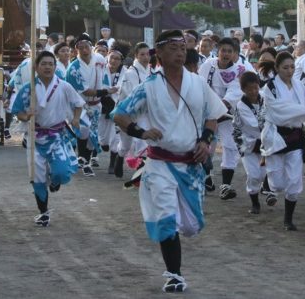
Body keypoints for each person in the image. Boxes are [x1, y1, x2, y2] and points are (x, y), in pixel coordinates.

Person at [112, 30, 224, 293]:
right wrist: (141, 132)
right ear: (159, 53)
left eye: (183, 48)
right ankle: (174, 273)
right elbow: (120, 114)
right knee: (165, 216)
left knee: (191, 225)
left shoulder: (197, 83)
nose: (180, 52)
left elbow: (213, 115)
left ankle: (175, 264)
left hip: (191, 165)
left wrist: (205, 141)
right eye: (173, 48)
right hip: (159, 162)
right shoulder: (149, 86)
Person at [11, 51, 84, 227]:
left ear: (55, 67)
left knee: (61, 171)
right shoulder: (28, 89)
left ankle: (55, 180)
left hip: (57, 136)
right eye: (43, 64)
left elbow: (79, 103)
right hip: (35, 137)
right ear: (36, 68)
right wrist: (26, 116)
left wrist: (75, 118)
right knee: (37, 177)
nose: (47, 67)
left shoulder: (64, 86)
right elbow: (17, 111)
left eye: (51, 64)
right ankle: (43, 212)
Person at [259, 51, 305, 231]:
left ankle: (288, 219)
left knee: (294, 181)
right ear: (276, 68)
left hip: (296, 136)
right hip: (276, 135)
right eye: (285, 67)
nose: (289, 71)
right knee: (278, 183)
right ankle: (268, 182)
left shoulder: (300, 85)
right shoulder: (270, 88)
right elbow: (279, 113)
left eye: (292, 67)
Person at [197, 37, 246, 201]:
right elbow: (200, 84)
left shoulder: (240, 70)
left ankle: (226, 185)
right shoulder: (208, 65)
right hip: (206, 112)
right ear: (217, 51)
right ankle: (205, 175)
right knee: (206, 145)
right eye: (223, 50)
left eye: (229, 51)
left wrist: (220, 108)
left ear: (234, 54)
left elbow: (234, 92)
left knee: (230, 146)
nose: (226, 54)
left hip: (226, 114)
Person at [66, 33, 111, 176]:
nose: (85, 50)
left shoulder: (100, 59)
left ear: (92, 47)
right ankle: (82, 158)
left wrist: (107, 89)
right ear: (76, 50)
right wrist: (106, 92)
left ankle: (85, 160)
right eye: (81, 48)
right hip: (80, 105)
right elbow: (86, 91)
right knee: (84, 129)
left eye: (87, 47)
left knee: (93, 134)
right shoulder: (73, 68)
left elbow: (105, 76)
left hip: (96, 104)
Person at [114, 42, 153, 178]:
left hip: (144, 113)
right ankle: (119, 159)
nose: (145, 57)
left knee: (143, 141)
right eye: (142, 54)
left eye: (147, 54)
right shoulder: (131, 73)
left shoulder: (152, 71)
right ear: (136, 55)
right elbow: (135, 96)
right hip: (128, 113)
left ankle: (142, 173)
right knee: (125, 144)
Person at [234, 72, 265, 215]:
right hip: (248, 144)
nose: (254, 91)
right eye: (250, 89)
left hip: (266, 144)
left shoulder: (265, 99)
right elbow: (254, 125)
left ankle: (267, 191)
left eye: (256, 88)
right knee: (253, 174)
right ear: (243, 90)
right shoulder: (241, 105)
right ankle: (255, 202)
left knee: (266, 173)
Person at [102, 46, 126, 174]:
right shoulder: (101, 69)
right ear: (108, 57)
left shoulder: (125, 72)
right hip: (102, 106)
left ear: (121, 61)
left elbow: (121, 87)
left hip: (116, 106)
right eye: (112, 58)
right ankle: (103, 144)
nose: (114, 61)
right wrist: (106, 90)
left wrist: (113, 90)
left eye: (117, 59)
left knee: (115, 137)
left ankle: (113, 162)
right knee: (103, 138)